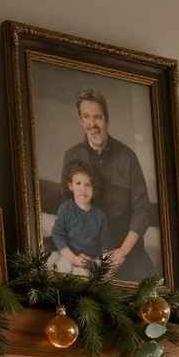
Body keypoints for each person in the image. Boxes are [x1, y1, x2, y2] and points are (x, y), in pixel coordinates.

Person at [61, 87, 154, 282]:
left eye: (98, 117)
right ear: (80, 120)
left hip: (125, 244)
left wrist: (122, 251)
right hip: (86, 244)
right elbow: (69, 207)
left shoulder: (128, 157)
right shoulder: (72, 156)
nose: (92, 124)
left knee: (148, 283)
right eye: (86, 117)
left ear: (107, 120)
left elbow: (142, 210)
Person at [51, 159, 112, 274]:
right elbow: (57, 235)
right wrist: (73, 258)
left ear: (93, 189)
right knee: (62, 268)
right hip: (69, 255)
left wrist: (102, 262)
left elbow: (106, 244)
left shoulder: (100, 216)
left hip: (90, 259)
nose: (83, 189)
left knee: (87, 274)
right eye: (78, 183)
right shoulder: (66, 208)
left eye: (88, 185)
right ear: (70, 186)